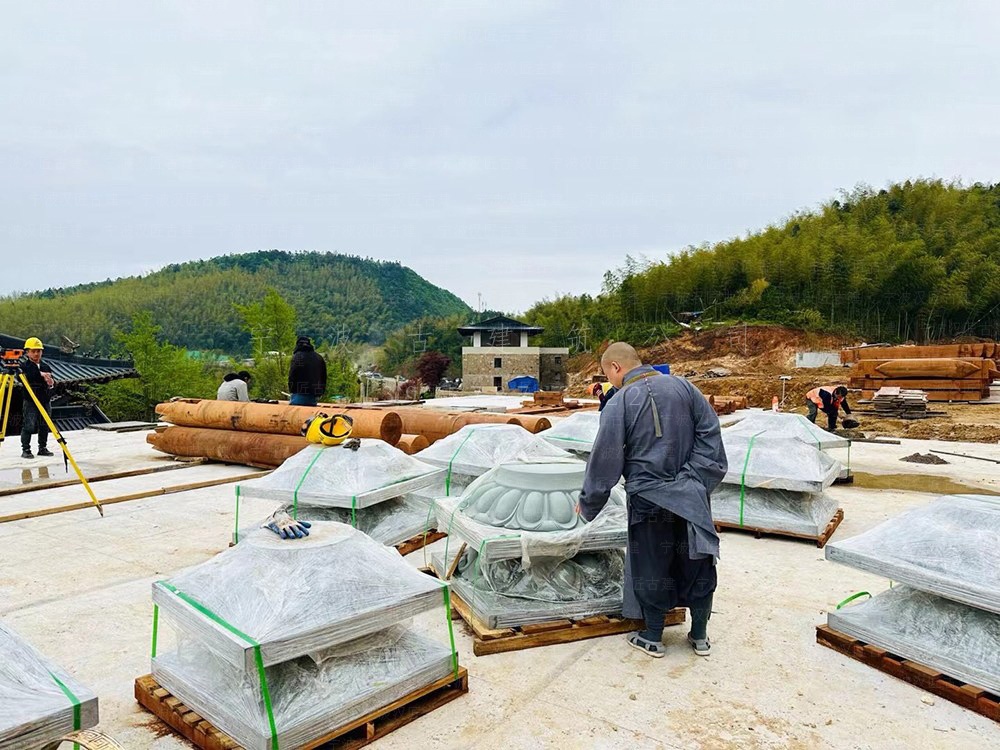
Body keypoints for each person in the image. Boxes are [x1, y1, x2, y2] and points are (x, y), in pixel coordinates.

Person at [579, 342, 727, 658]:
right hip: (690, 496)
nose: (610, 381)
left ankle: (652, 636)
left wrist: (589, 503)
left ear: (615, 368)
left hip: (648, 499)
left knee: (652, 564)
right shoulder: (684, 388)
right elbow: (711, 435)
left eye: (608, 374)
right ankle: (700, 636)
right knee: (697, 561)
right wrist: (695, 480)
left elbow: (605, 459)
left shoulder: (619, 403)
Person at [19, 337, 55, 459]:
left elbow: (51, 383)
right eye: (33, 351)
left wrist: (51, 383)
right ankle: (26, 449)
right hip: (30, 400)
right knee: (28, 425)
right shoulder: (24, 366)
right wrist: (41, 375)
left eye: (38, 351)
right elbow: (27, 376)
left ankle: (42, 448)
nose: (36, 353)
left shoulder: (46, 366)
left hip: (44, 399)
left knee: (44, 424)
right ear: (27, 352)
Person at [288, 336, 326, 406]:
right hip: (314, 395)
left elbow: (292, 375)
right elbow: (324, 377)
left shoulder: (297, 357)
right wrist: (320, 392)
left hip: (299, 393)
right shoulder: (319, 358)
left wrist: (291, 390)